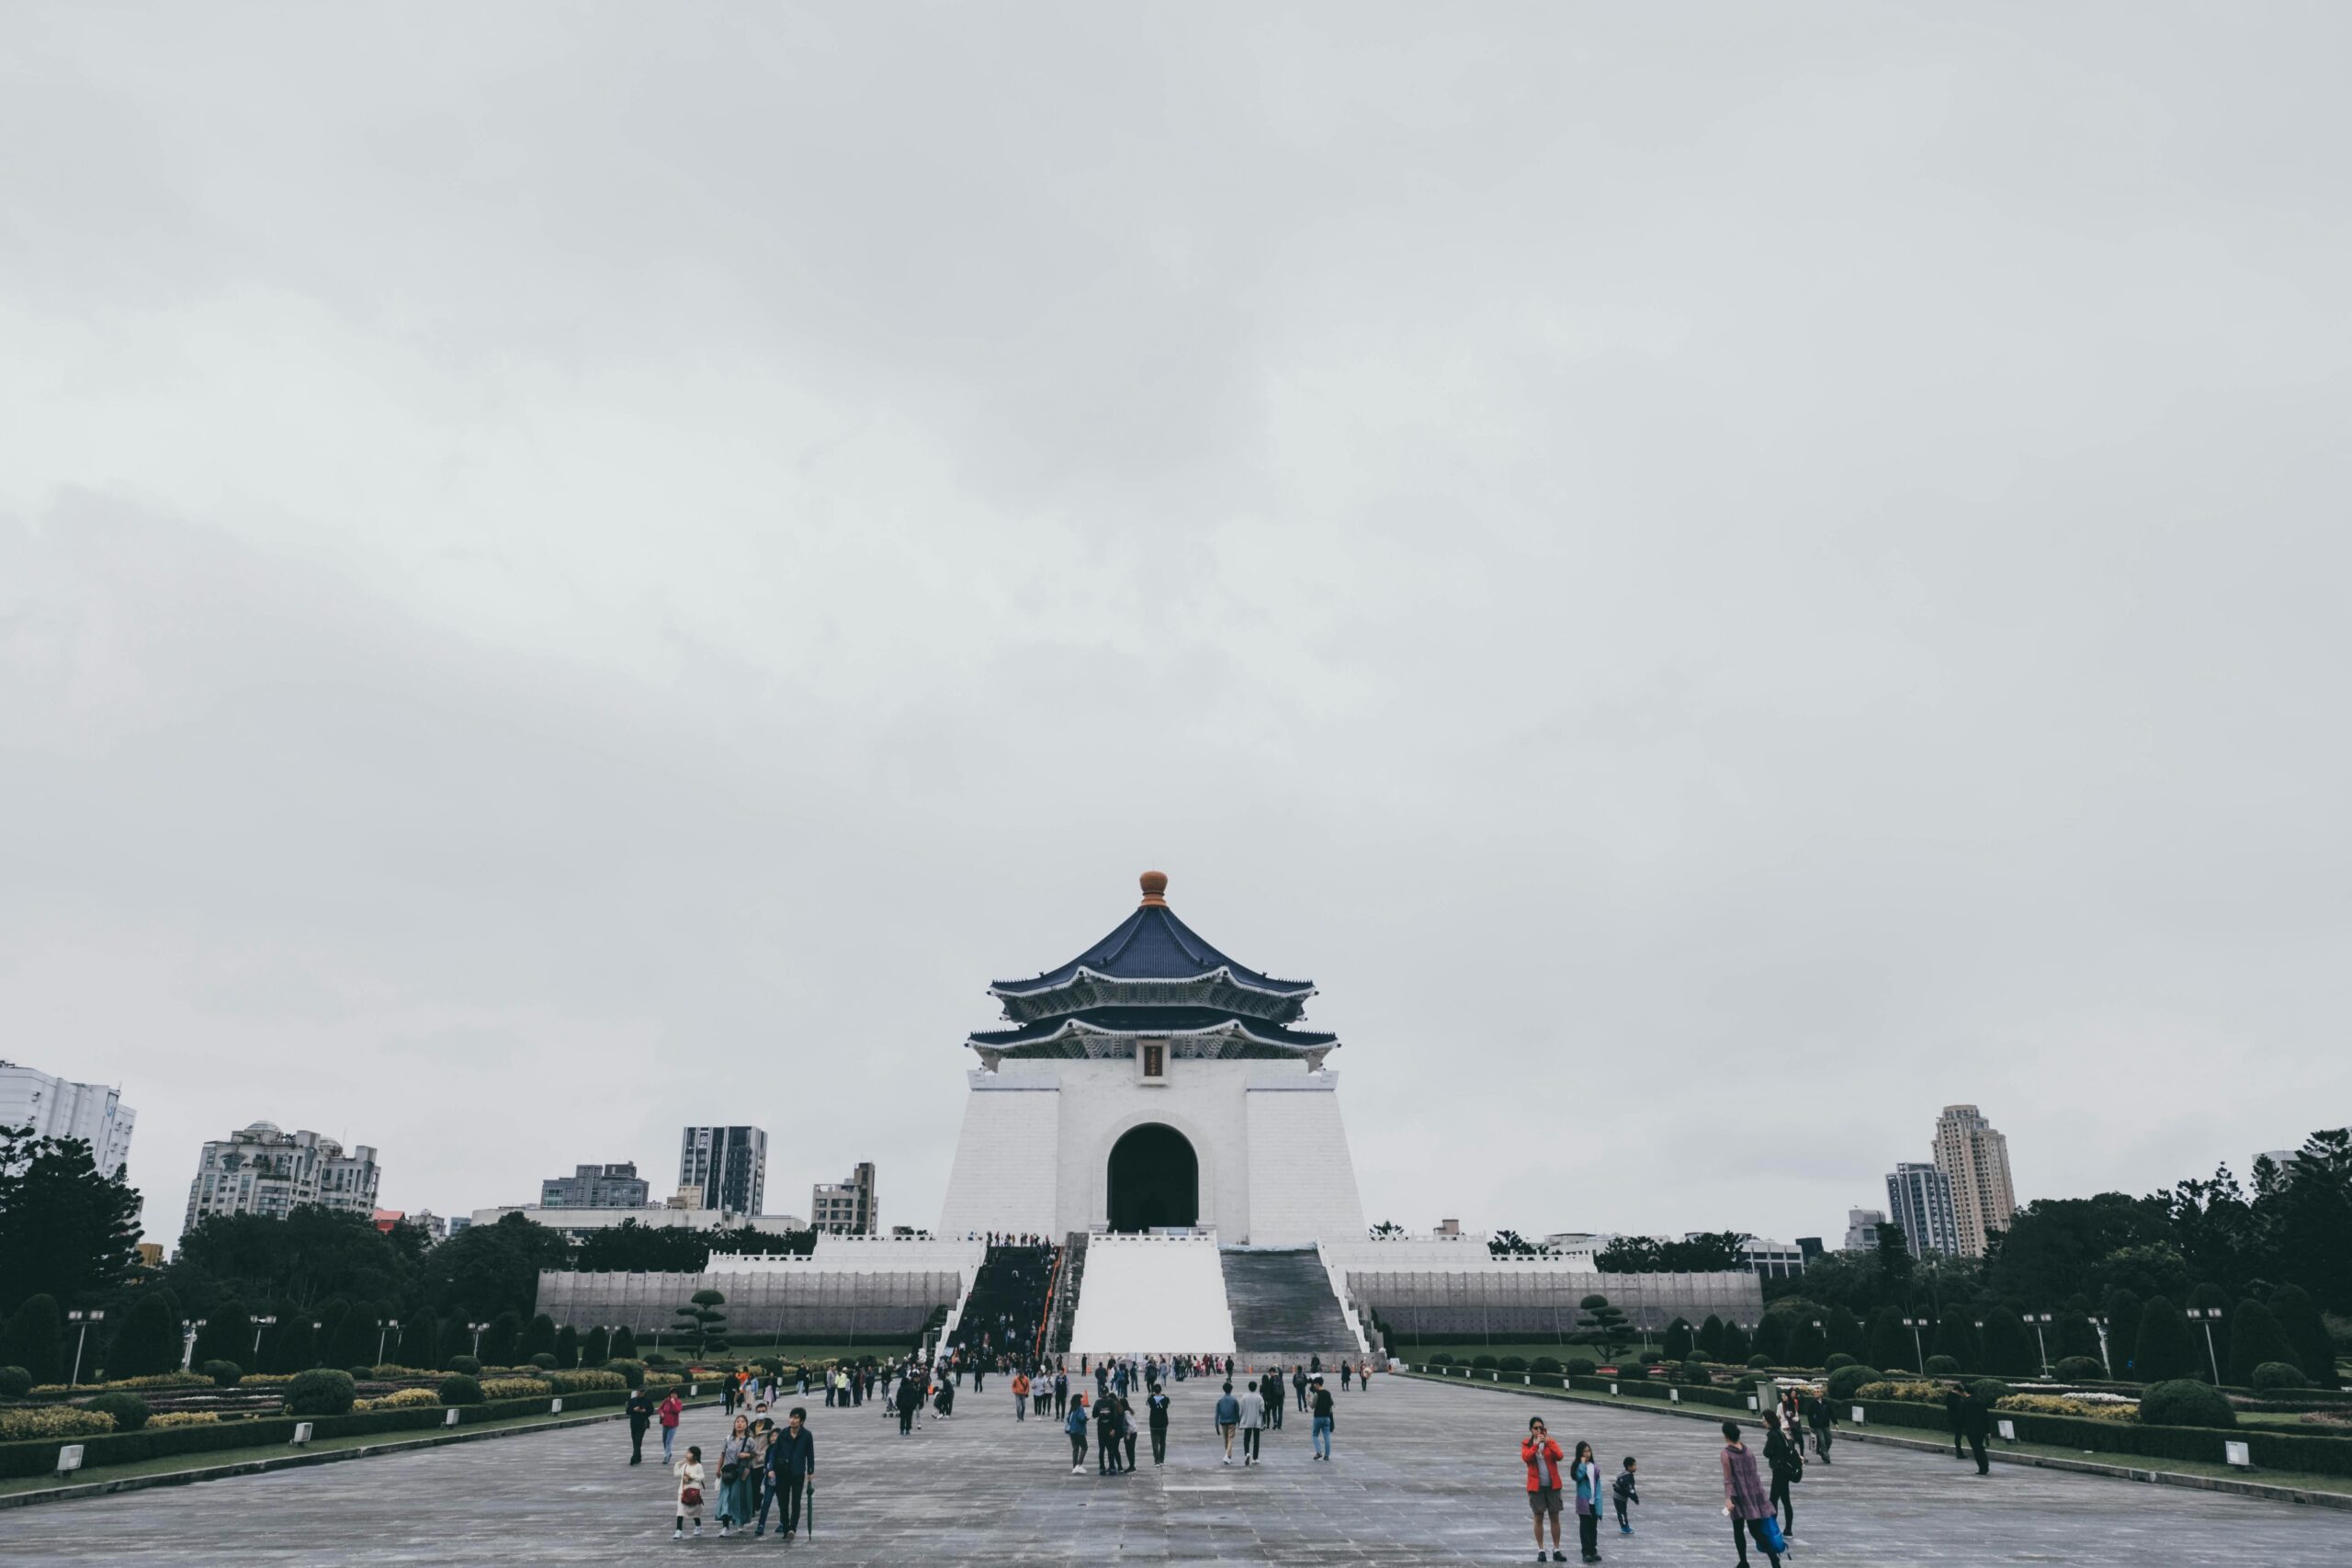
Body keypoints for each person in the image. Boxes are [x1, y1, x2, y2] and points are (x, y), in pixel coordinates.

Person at [1719, 1422, 1781, 1568]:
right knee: (1756, 1531)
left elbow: (1728, 1480)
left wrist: (1728, 1499)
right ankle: (1774, 1559)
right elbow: (1755, 1475)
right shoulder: (1749, 1451)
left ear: (1726, 1436)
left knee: (1738, 1530)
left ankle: (1744, 1562)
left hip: (1738, 1496)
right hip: (1754, 1495)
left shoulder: (1726, 1454)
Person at [1521, 1415, 1566, 1564]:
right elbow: (1526, 1458)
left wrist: (1548, 1444)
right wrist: (1535, 1446)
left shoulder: (1550, 1442)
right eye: (1536, 1428)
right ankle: (1541, 1549)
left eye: (1541, 1428)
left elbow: (1560, 1456)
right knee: (1538, 1517)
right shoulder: (1527, 1444)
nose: (1539, 1430)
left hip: (1552, 1485)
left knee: (1555, 1517)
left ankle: (1557, 1549)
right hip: (1536, 1486)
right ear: (1531, 1430)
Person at [765, 1405, 816, 1540]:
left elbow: (810, 1454)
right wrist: (770, 1468)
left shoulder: (806, 1435)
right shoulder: (783, 1434)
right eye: (791, 1417)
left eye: (796, 1418)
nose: (793, 1420)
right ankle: (786, 1528)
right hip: (782, 1471)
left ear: (802, 1421)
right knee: (783, 1502)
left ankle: (793, 1528)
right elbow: (774, 1452)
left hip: (798, 1472)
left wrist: (811, 1471)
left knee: (796, 1501)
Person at [1762, 1410, 1801, 1539]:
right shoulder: (1781, 1433)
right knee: (1786, 1500)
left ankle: (1772, 1529)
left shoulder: (1773, 1435)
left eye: (1764, 1420)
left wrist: (1773, 1454)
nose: (1763, 1422)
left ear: (1769, 1421)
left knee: (1773, 1500)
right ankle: (1788, 1530)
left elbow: (1766, 1452)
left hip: (1779, 1471)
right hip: (1785, 1470)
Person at [717, 1415, 755, 1537]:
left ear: (746, 1425)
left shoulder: (750, 1440)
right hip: (728, 1473)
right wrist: (718, 1469)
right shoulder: (728, 1439)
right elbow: (722, 1454)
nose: (739, 1423)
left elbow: (756, 1455)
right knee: (725, 1498)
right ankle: (725, 1526)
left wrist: (747, 1455)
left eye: (743, 1421)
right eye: (737, 1421)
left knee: (739, 1498)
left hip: (741, 1473)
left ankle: (740, 1521)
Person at [1570, 1439, 1603, 1562]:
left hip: (1594, 1501)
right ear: (1580, 1453)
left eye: (1589, 1451)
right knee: (1585, 1528)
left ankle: (1593, 1550)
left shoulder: (1594, 1467)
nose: (1587, 1453)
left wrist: (1599, 1501)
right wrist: (1582, 1465)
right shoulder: (1578, 1466)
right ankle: (1586, 1552)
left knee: (1593, 1528)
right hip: (1584, 1502)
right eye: (1584, 1451)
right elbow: (1578, 1477)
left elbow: (1598, 1485)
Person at [673, 1444, 707, 1541]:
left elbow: (702, 1477)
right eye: (687, 1452)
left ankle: (698, 1526)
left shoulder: (698, 1466)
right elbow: (676, 1474)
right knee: (680, 1511)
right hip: (683, 1491)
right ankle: (678, 1530)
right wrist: (678, 1464)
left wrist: (692, 1476)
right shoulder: (685, 1466)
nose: (687, 1454)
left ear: (695, 1456)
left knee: (695, 1512)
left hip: (694, 1492)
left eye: (689, 1453)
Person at [1957, 1384, 1991, 1474]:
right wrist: (1988, 1431)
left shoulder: (1964, 1403)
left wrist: (1963, 1427)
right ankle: (1985, 1465)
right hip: (1981, 1429)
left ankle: (1982, 1468)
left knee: (1976, 1449)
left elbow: (1961, 1418)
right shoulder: (1980, 1402)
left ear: (1965, 1392)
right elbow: (1986, 1417)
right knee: (1980, 1447)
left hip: (1970, 1429)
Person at [1095, 1384, 1125, 1474]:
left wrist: (1101, 1412)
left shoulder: (1098, 1402)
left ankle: (1102, 1468)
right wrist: (1114, 1429)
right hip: (1110, 1429)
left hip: (1101, 1429)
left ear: (1100, 1393)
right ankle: (1112, 1468)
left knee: (1101, 1450)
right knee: (1110, 1450)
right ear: (1107, 1393)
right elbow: (1115, 1417)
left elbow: (1094, 1414)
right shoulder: (1112, 1402)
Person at [1236, 1379, 1266, 1465]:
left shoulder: (1244, 1397)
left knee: (1246, 1439)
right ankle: (1255, 1458)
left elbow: (1240, 1410)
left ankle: (1247, 1453)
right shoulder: (1259, 1397)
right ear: (1256, 1388)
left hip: (1247, 1421)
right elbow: (1262, 1409)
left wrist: (1239, 1420)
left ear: (1249, 1388)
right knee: (1256, 1440)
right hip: (1256, 1421)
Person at [627, 1385, 655, 1465]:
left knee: (638, 1440)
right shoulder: (632, 1401)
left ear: (644, 1393)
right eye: (639, 1391)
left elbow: (651, 1411)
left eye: (642, 1392)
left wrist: (645, 1411)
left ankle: (634, 1457)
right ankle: (638, 1456)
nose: (640, 1393)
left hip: (643, 1423)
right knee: (635, 1440)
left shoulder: (647, 1401)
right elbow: (628, 1411)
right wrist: (633, 1409)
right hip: (633, 1423)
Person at [1214, 1382, 1241, 1465]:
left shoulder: (1220, 1400)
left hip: (1223, 1422)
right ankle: (1227, 1456)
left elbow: (1217, 1414)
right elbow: (1237, 1412)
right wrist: (1240, 1422)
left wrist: (1216, 1425)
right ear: (1231, 1390)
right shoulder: (1234, 1400)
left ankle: (1228, 1457)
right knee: (1230, 1439)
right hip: (1232, 1421)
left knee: (1226, 1439)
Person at [1611, 1456, 1638, 1536]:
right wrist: (1635, 1498)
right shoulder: (1627, 1477)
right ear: (1629, 1467)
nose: (1635, 1467)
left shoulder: (1626, 1474)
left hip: (1620, 1496)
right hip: (1619, 1497)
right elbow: (1630, 1489)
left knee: (1622, 1511)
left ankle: (1625, 1526)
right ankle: (1625, 1528)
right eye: (1634, 1465)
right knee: (1622, 1512)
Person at [1065, 1391, 1091, 1473]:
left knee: (1075, 1449)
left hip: (1072, 1431)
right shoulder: (1080, 1408)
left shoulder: (1072, 1408)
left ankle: (1074, 1466)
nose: (1083, 1400)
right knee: (1084, 1447)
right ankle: (1079, 1465)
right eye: (1081, 1399)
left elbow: (1068, 1419)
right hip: (1079, 1431)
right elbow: (1081, 1418)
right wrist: (1086, 1418)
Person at [1147, 1381, 1171, 1464]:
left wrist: (1151, 1395)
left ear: (1154, 1391)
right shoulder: (1166, 1399)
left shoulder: (1150, 1400)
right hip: (1163, 1423)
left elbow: (1147, 1404)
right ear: (1161, 1390)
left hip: (1153, 1424)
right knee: (1162, 1443)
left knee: (1155, 1443)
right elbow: (1168, 1404)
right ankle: (1162, 1459)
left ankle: (1156, 1460)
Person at [657, 1388, 684, 1463]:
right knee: (664, 1441)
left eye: (675, 1393)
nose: (673, 1395)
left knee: (668, 1441)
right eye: (672, 1393)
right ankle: (668, 1453)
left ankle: (666, 1456)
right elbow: (660, 1409)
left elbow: (677, 1411)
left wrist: (673, 1403)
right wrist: (661, 1413)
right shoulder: (666, 1401)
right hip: (665, 1423)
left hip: (673, 1425)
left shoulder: (678, 1402)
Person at [1310, 1377, 1335, 1461]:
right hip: (1327, 1418)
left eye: (1314, 1384)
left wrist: (1308, 1400)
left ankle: (1319, 1451)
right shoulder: (1328, 1393)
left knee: (1314, 1435)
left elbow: (1312, 1406)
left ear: (1317, 1384)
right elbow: (1332, 1403)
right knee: (1327, 1436)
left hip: (1318, 1417)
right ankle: (1327, 1455)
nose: (1314, 1386)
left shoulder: (1316, 1394)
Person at [895, 1365, 923, 1436]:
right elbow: (916, 1397)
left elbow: (898, 1397)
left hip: (902, 1406)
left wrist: (898, 1405)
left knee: (902, 1418)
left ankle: (902, 1429)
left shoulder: (900, 1389)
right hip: (910, 1406)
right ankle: (907, 1429)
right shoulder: (912, 1388)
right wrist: (914, 1405)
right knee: (908, 1418)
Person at [1806, 1392, 1834, 1463]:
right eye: (1814, 1392)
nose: (1815, 1393)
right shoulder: (1812, 1404)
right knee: (1822, 1440)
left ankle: (1823, 1452)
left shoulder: (1826, 1403)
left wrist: (1835, 1423)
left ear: (1821, 1393)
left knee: (1829, 1440)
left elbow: (1831, 1413)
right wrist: (1811, 1425)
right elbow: (1809, 1416)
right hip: (1817, 1426)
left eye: (1817, 1392)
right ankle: (1826, 1456)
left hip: (1826, 1425)